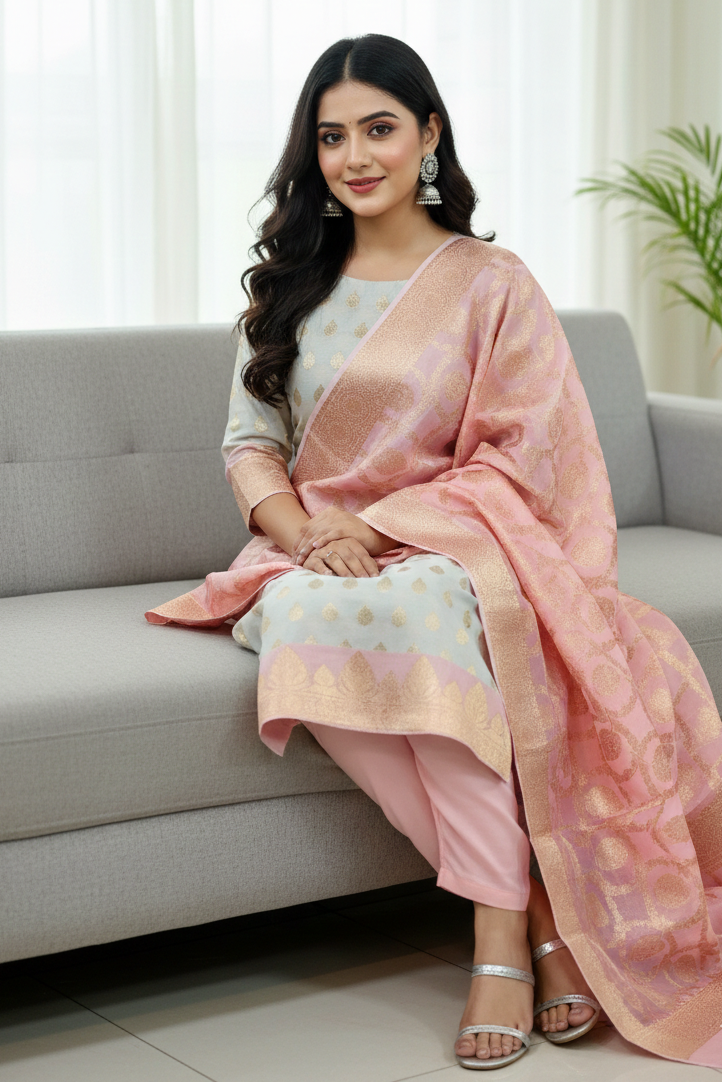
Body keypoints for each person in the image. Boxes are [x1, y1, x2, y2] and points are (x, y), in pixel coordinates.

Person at [147, 34, 722, 1070]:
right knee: (318, 618)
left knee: (407, 610)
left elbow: (522, 454)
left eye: (377, 128)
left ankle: (502, 928)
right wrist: (306, 534)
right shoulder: (286, 285)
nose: (353, 156)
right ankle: (527, 910)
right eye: (330, 136)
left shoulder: (489, 283)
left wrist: (375, 528)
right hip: (302, 553)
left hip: (451, 543)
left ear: (428, 135)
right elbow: (248, 445)